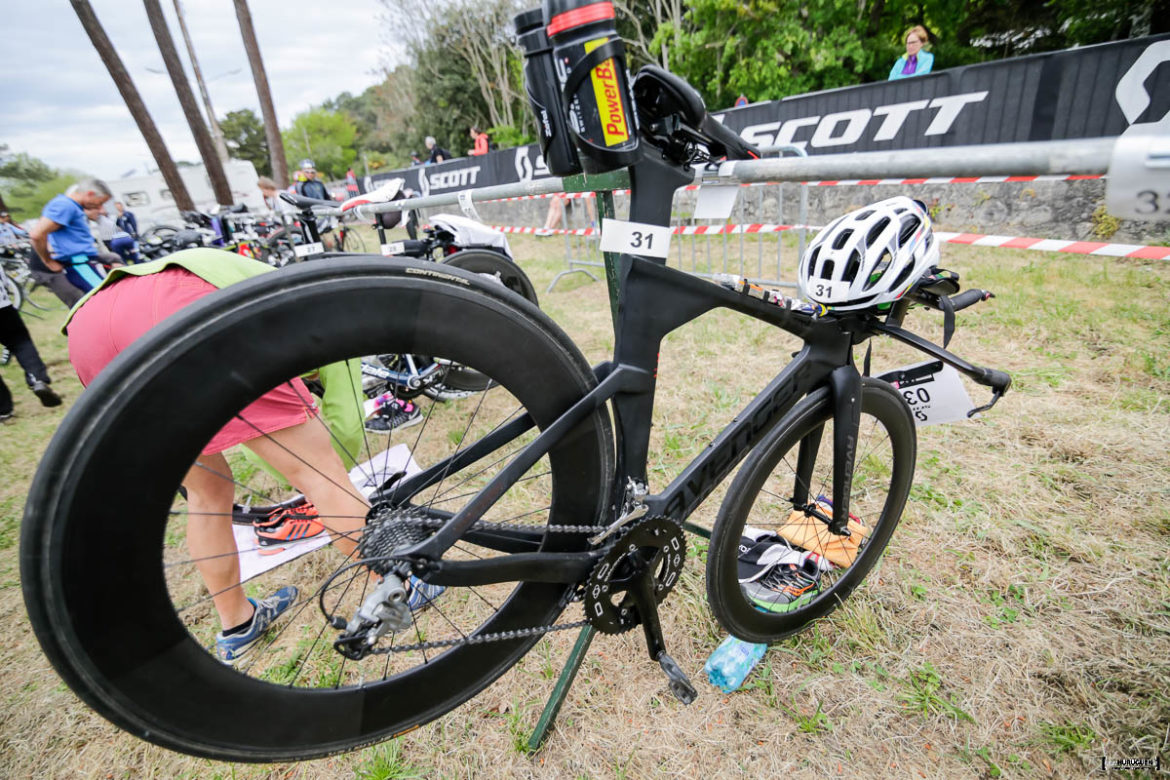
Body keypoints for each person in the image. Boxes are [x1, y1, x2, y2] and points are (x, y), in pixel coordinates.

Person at [63, 247, 441, 662]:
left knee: (207, 493)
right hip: (183, 305)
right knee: (320, 473)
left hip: (90, 329)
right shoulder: (319, 317)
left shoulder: (270, 282)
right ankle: (402, 584)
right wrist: (318, 468)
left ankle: (237, 624)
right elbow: (347, 417)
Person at [27, 178, 114, 293]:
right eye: (101, 202)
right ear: (90, 194)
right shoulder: (65, 205)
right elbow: (36, 235)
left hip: (84, 262)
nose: (99, 207)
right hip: (79, 264)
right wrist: (47, 261)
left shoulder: (73, 206)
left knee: (105, 297)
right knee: (105, 297)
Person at [0, 267, 62, 421]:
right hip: (3, 307)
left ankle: (3, 409)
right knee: (20, 342)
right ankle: (37, 379)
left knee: (19, 341)